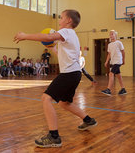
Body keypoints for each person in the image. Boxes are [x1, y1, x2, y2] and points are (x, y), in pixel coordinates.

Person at [14, 9, 97, 148]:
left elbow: (47, 37)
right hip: (75, 73)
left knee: (46, 98)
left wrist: (25, 35)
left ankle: (54, 137)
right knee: (64, 103)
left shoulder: (66, 31)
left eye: (61, 18)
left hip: (69, 73)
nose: (59, 21)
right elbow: (61, 53)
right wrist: (52, 48)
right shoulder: (72, 36)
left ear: (69, 21)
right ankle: (88, 120)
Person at [101, 30, 126, 96]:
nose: (111, 35)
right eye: (110, 34)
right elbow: (109, 54)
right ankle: (123, 89)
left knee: (111, 74)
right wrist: (106, 61)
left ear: (115, 35)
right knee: (118, 75)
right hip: (113, 61)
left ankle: (108, 90)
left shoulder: (119, 43)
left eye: (112, 34)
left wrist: (123, 60)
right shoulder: (109, 45)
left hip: (118, 61)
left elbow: (123, 52)